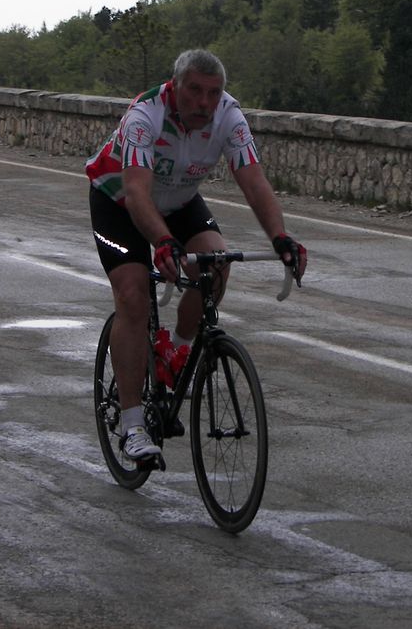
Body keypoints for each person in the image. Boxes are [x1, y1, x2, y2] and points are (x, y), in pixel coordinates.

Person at [86, 49, 307, 461]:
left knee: (217, 263)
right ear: (174, 88)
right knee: (133, 296)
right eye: (195, 91)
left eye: (213, 92)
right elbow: (136, 193)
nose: (204, 102)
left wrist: (281, 237)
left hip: (179, 201)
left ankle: (176, 349)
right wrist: (163, 242)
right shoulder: (144, 116)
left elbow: (253, 180)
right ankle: (133, 425)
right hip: (118, 201)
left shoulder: (228, 116)